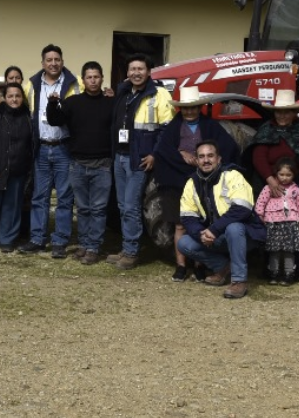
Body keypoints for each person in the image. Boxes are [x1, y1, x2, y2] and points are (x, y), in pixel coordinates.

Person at [152, 85, 239, 281]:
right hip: (177, 183)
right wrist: (180, 154)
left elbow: (228, 147)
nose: (189, 111)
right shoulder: (173, 128)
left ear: (199, 108)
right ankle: (181, 265)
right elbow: (163, 152)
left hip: (204, 183)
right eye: (186, 108)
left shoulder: (210, 126)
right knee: (180, 226)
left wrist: (206, 163)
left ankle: (200, 264)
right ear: (180, 109)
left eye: (193, 107)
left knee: (202, 224)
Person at [109, 53, 175, 269]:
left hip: (139, 160)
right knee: (121, 205)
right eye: (132, 69)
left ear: (148, 72)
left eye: (140, 69)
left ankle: (131, 252)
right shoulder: (124, 92)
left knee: (130, 206)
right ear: (127, 73)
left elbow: (167, 130)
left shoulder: (159, 95)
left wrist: (155, 154)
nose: (136, 73)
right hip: (120, 155)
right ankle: (126, 246)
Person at [46, 61, 114, 264]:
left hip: (102, 165)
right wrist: (52, 103)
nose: (93, 80)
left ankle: (94, 246)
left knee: (99, 209)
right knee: (83, 208)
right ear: (83, 80)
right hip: (78, 165)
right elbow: (54, 120)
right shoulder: (73, 102)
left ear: (102, 78)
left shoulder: (111, 103)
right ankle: (84, 244)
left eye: (96, 76)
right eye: (89, 77)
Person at [176, 140, 263, 299]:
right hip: (214, 236)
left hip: (245, 235)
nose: (206, 160)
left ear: (219, 159)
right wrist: (202, 234)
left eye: (210, 156)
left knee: (234, 227)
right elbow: (187, 217)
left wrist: (213, 230)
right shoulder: (191, 182)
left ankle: (239, 281)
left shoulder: (232, 176)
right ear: (196, 160)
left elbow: (242, 209)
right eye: (201, 157)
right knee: (184, 243)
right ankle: (223, 268)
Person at [21, 44, 82, 258]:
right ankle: (37, 239)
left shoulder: (75, 84)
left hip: (64, 147)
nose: (53, 63)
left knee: (65, 197)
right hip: (41, 147)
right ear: (43, 63)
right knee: (40, 196)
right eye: (49, 60)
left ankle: (59, 242)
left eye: (57, 59)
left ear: (62, 62)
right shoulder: (31, 85)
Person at [0, 83, 33, 252]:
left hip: (18, 170)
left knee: (12, 206)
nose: (14, 99)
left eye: (17, 96)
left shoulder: (27, 117)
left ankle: (7, 239)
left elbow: (30, 145)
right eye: (10, 96)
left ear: (22, 97)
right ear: (4, 97)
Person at [255, 158, 299, 286]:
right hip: (274, 223)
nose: (285, 178)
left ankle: (289, 274)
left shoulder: (295, 189)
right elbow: (261, 201)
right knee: (275, 250)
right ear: (276, 174)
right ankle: (274, 273)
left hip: (291, 223)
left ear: (294, 175)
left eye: (288, 175)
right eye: (281, 174)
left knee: (289, 251)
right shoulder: (269, 188)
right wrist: (260, 214)